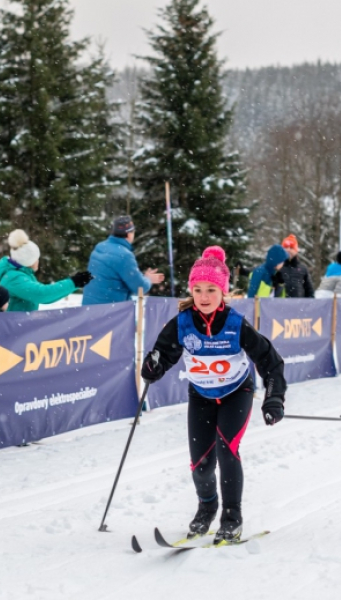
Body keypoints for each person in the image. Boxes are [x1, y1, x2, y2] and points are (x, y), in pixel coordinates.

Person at [141, 246, 287, 544]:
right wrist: (152, 367)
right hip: (201, 396)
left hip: (237, 392)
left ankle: (232, 518)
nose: (204, 297)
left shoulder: (235, 324)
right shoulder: (182, 323)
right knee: (201, 464)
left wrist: (274, 398)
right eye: (197, 290)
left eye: (210, 289)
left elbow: (270, 361)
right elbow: (161, 358)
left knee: (227, 450)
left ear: (223, 292)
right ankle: (206, 508)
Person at [0, 229, 92, 312]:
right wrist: (73, 282)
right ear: (28, 262)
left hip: (20, 329)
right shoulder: (14, 278)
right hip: (14, 331)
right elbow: (42, 294)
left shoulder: (19, 274)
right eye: (36, 258)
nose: (38, 261)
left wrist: (75, 283)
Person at [82, 215, 165, 305]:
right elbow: (139, 287)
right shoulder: (124, 255)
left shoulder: (100, 246)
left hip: (89, 309)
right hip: (110, 312)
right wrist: (148, 279)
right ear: (129, 234)